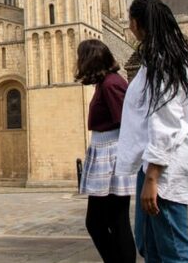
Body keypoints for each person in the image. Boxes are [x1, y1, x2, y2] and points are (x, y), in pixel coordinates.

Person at [116, 0, 188, 262]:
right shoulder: (154, 60)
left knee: (174, 249)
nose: (128, 25)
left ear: (139, 23)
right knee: (149, 244)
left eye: (130, 20)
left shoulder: (163, 62)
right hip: (149, 165)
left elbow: (167, 121)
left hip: (162, 168)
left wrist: (153, 177)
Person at [75, 39, 137, 263]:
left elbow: (128, 123)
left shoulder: (111, 84)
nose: (78, 62)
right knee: (109, 221)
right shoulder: (106, 83)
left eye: (81, 57)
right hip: (106, 153)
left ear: (90, 59)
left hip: (112, 157)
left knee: (108, 222)